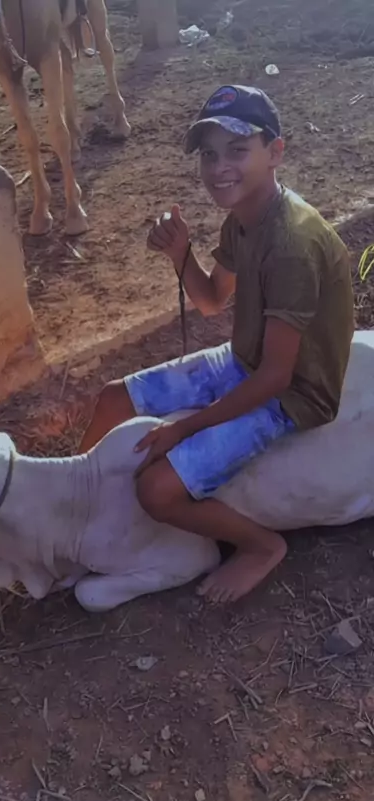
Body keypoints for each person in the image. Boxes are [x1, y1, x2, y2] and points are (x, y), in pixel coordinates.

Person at [79, 84, 354, 604]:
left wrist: (185, 427)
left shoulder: (292, 246)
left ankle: (261, 547)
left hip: (293, 392)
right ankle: (78, 504)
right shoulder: (243, 219)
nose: (219, 167)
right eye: (209, 154)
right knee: (114, 398)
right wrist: (180, 253)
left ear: (275, 152)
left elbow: (275, 377)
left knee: (156, 490)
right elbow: (210, 299)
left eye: (237, 150)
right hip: (246, 360)